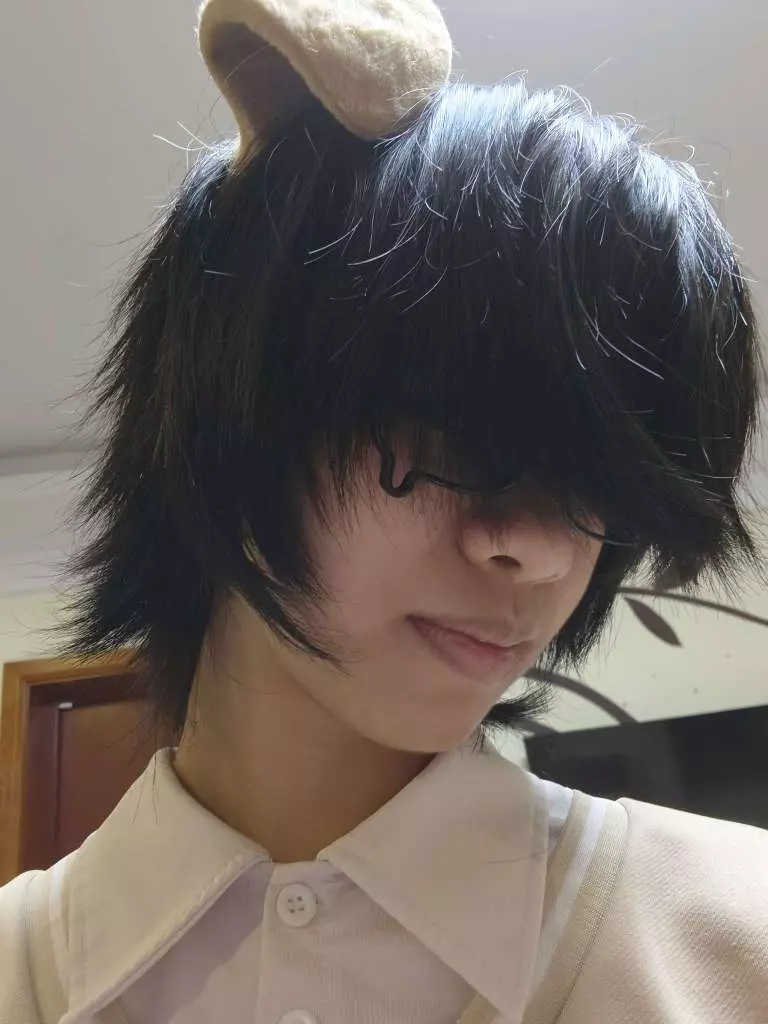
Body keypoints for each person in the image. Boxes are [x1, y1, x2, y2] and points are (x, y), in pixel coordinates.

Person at [2, 0, 767, 1021]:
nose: (541, 550)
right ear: (239, 400)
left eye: (595, 488)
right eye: (458, 435)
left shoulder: (737, 935)